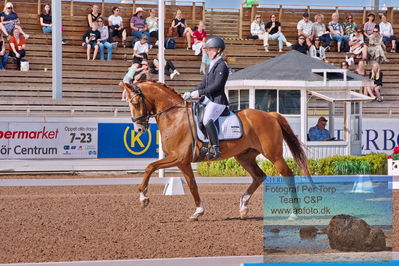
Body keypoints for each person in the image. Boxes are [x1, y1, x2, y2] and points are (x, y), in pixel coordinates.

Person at [183, 37, 229, 159]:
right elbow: (203, 84)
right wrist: (190, 92)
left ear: (218, 50)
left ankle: (215, 148)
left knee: (207, 119)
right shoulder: (212, 65)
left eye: (210, 50)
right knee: (197, 115)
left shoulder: (222, 65)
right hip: (209, 99)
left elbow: (217, 86)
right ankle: (204, 143)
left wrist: (199, 93)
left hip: (218, 100)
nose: (207, 52)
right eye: (207, 50)